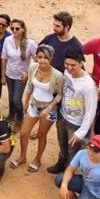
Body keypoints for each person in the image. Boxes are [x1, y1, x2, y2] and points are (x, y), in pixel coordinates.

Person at [10, 44, 63, 172]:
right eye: (40, 57)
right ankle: (22, 157)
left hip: (48, 109)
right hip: (34, 105)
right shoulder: (33, 67)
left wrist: (49, 108)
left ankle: (37, 159)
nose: (42, 60)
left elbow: (60, 94)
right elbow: (29, 86)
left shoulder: (57, 75)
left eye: (46, 58)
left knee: (41, 135)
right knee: (23, 133)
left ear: (51, 58)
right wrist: (26, 101)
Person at [47, 49, 98, 174]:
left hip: (76, 124)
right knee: (62, 143)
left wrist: (81, 132)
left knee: (73, 151)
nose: (69, 68)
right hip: (63, 117)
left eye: (73, 65)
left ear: (81, 63)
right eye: (67, 64)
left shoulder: (89, 86)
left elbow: (90, 112)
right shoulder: (67, 73)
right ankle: (61, 161)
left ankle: (68, 173)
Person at [0, 18, 37, 131]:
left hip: (21, 76)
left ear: (23, 29)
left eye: (17, 28)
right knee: (11, 97)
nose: (14, 30)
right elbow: (4, 58)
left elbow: (36, 60)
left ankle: (20, 119)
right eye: (12, 28)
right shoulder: (8, 40)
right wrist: (2, 75)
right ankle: (11, 115)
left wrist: (28, 73)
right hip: (9, 74)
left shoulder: (30, 43)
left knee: (17, 98)